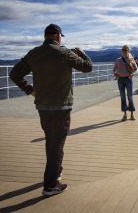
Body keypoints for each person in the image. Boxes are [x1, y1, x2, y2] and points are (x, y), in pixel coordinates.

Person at [10, 24, 92, 196]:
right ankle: (50, 186)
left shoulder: (34, 53)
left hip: (42, 106)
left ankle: (56, 172)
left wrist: (30, 90)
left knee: (51, 141)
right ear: (58, 37)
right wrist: (82, 53)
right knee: (57, 144)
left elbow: (15, 74)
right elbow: (87, 67)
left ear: (45, 36)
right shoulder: (64, 53)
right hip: (61, 106)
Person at [113, 45, 138, 121]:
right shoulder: (118, 60)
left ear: (128, 51)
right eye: (123, 49)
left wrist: (131, 74)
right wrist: (115, 75)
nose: (124, 51)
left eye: (125, 50)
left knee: (130, 97)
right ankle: (125, 115)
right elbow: (114, 69)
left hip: (128, 79)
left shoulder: (131, 60)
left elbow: (136, 69)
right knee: (123, 97)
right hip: (120, 79)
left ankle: (132, 114)